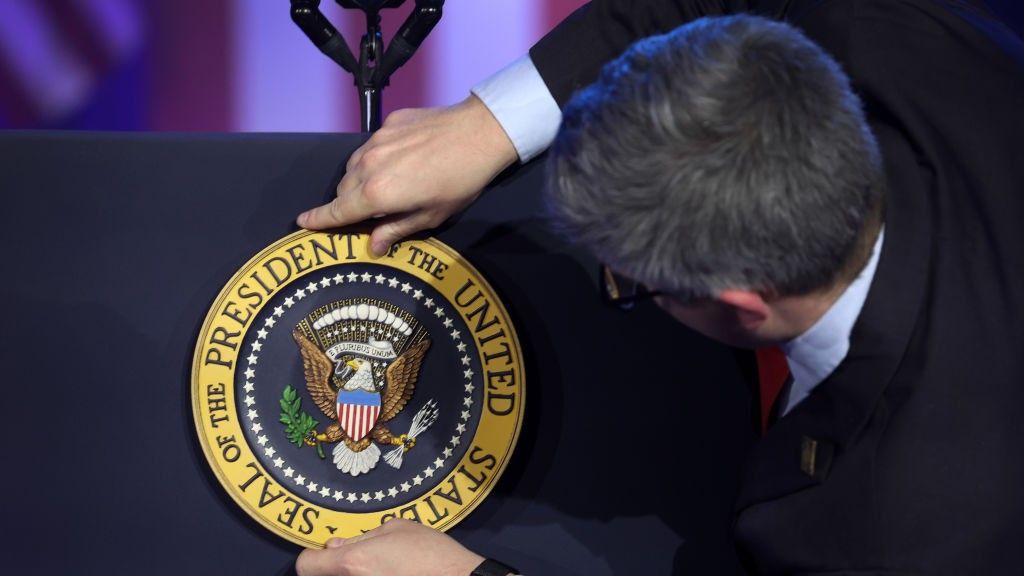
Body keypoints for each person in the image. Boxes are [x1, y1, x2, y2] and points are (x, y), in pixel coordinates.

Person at [296, 1, 1024, 574]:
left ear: (743, 303)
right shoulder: (889, 28)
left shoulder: (892, 537)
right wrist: (490, 123)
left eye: (629, 280)